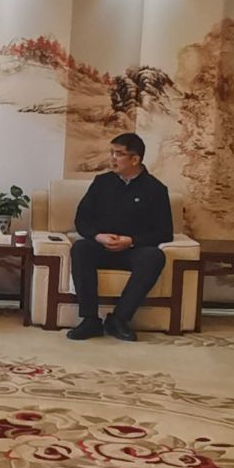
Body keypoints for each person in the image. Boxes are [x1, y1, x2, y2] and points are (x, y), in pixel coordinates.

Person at [67, 132, 175, 342]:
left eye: (118, 154)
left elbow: (164, 232)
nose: (112, 158)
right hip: (101, 247)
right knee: (81, 248)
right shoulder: (102, 182)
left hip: (133, 250)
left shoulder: (155, 189)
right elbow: (82, 220)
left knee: (154, 257)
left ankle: (119, 319)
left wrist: (131, 241)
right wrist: (98, 236)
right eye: (111, 153)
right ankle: (90, 320)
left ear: (135, 159)